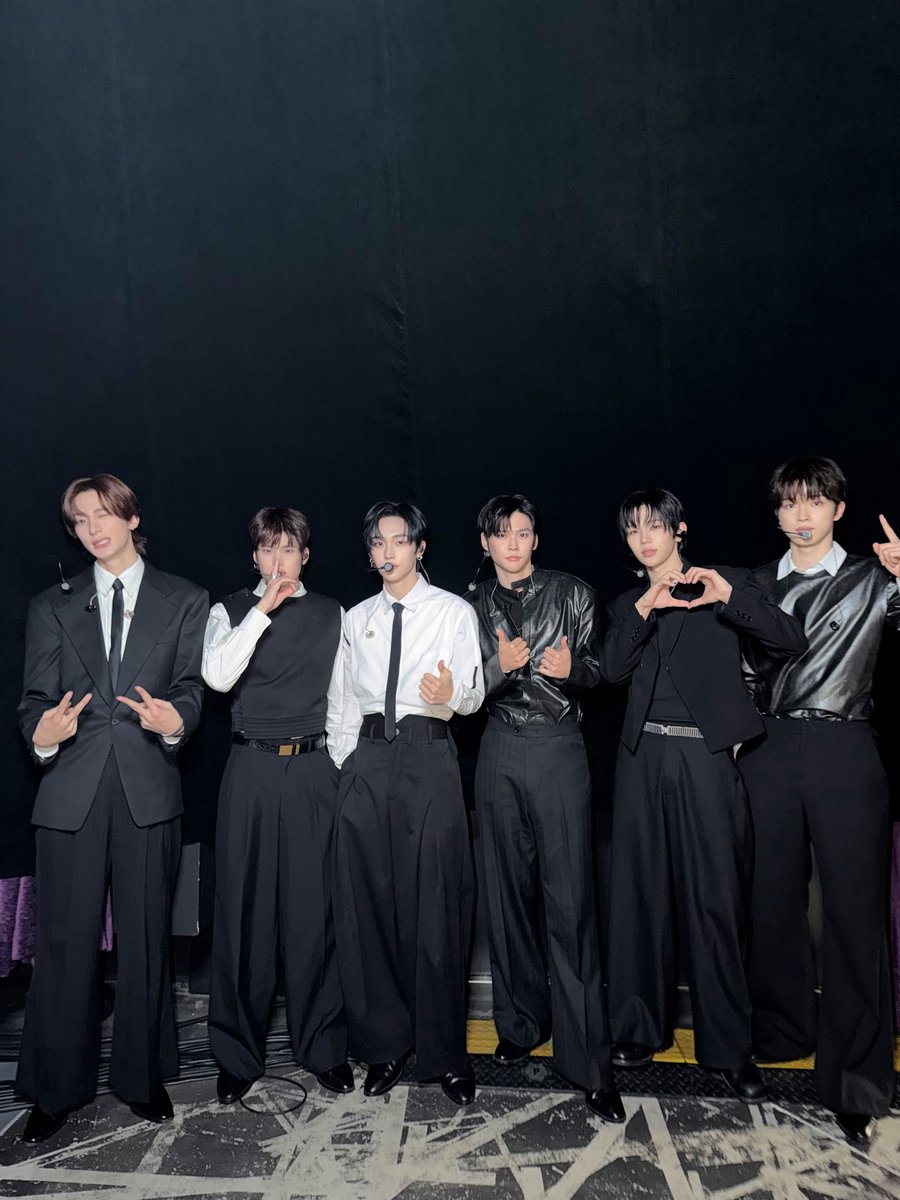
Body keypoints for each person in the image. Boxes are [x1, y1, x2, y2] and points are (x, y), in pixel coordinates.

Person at [16, 474, 207, 1143]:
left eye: (104, 514)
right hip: (70, 793)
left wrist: (175, 722)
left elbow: (190, 689)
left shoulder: (185, 599)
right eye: (80, 520)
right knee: (63, 945)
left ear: (131, 518)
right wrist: (43, 734)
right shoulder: (51, 606)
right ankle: (54, 1089)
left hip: (147, 790)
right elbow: (33, 702)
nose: (93, 528)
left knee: (147, 941)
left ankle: (143, 1077)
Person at [600, 489, 806, 1103]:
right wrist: (645, 607)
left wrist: (728, 596)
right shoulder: (628, 603)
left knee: (716, 900)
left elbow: (789, 641)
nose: (644, 538)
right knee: (639, 897)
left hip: (706, 757)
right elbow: (611, 671)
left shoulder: (725, 582)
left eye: (654, 526)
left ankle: (728, 1048)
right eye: (633, 529)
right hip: (640, 758)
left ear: (679, 529)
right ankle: (638, 1030)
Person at [740, 457, 900, 1142]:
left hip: (845, 747)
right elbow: (739, 672)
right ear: (777, 512)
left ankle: (857, 1077)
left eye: (815, 500)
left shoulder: (874, 579)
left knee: (853, 912)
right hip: (769, 749)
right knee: (769, 902)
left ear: (838, 508)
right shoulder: (754, 585)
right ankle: (782, 1033)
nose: (801, 514)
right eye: (789, 502)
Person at [465, 493, 623, 1123]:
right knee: (505, 896)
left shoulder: (574, 593)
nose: (513, 543)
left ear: (536, 538)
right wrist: (497, 668)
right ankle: (520, 1024)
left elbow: (603, 671)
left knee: (571, 903)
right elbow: (461, 693)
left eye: (523, 532)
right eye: (501, 534)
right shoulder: (469, 605)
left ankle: (588, 1062)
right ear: (485, 542)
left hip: (559, 749)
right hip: (498, 747)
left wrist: (573, 669)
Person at [328, 502, 484, 1105]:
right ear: (370, 553)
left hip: (429, 754)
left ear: (420, 547)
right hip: (368, 761)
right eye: (378, 543)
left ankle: (445, 1054)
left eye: (399, 540)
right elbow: (342, 700)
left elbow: (472, 695)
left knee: (437, 903)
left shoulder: (452, 612)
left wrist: (451, 694)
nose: (388, 552)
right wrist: (346, 764)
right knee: (369, 907)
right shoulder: (356, 618)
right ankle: (384, 1045)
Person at [202, 507, 351, 1104]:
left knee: (316, 911)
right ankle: (237, 1055)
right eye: (268, 549)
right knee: (244, 912)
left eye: (289, 549)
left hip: (313, 768)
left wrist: (335, 767)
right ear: (255, 556)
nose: (279, 560)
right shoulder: (229, 610)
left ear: (305, 556)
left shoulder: (332, 613)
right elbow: (217, 677)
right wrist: (261, 611)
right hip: (251, 770)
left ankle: (322, 1046)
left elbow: (343, 700)